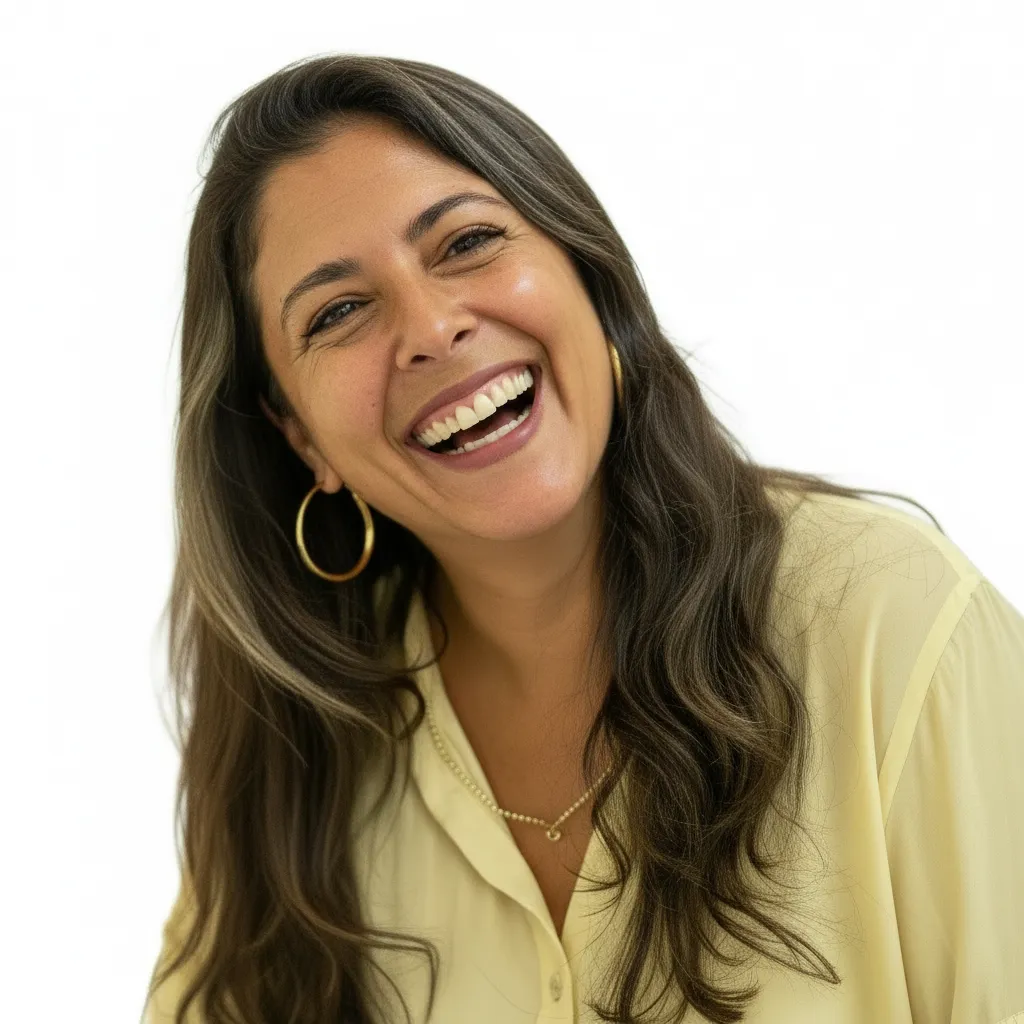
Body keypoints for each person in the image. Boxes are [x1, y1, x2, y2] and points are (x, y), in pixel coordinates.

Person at [141, 54, 1024, 1024]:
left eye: (467, 241)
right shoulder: (291, 771)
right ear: (300, 433)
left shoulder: (895, 633)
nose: (431, 328)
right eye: (340, 311)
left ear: (584, 270)